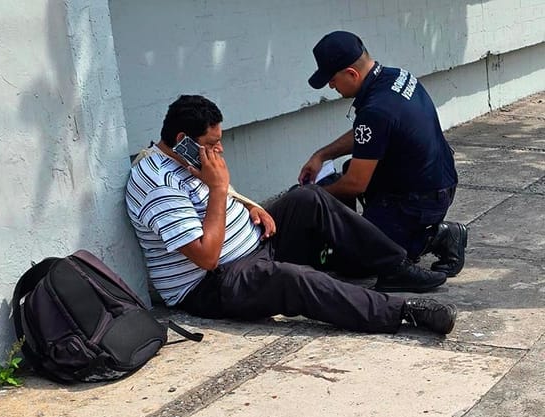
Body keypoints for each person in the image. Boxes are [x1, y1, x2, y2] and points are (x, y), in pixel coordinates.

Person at [126, 94, 457, 335]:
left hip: (256, 245)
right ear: (183, 141)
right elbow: (207, 257)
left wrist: (251, 207)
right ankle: (401, 312)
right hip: (214, 283)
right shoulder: (159, 186)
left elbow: (224, 197)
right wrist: (217, 187)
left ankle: (395, 265)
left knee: (307, 197)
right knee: (293, 279)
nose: (220, 150)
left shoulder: (190, 160)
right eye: (212, 144)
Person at [299, 31, 468, 277]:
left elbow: (356, 184)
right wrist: (322, 155)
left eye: (332, 79)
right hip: (436, 181)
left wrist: (313, 195)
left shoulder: (376, 109)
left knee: (357, 264)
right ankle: (384, 227)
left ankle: (437, 237)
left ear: (352, 74)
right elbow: (368, 133)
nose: (331, 86)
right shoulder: (397, 76)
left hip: (420, 200)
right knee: (348, 171)